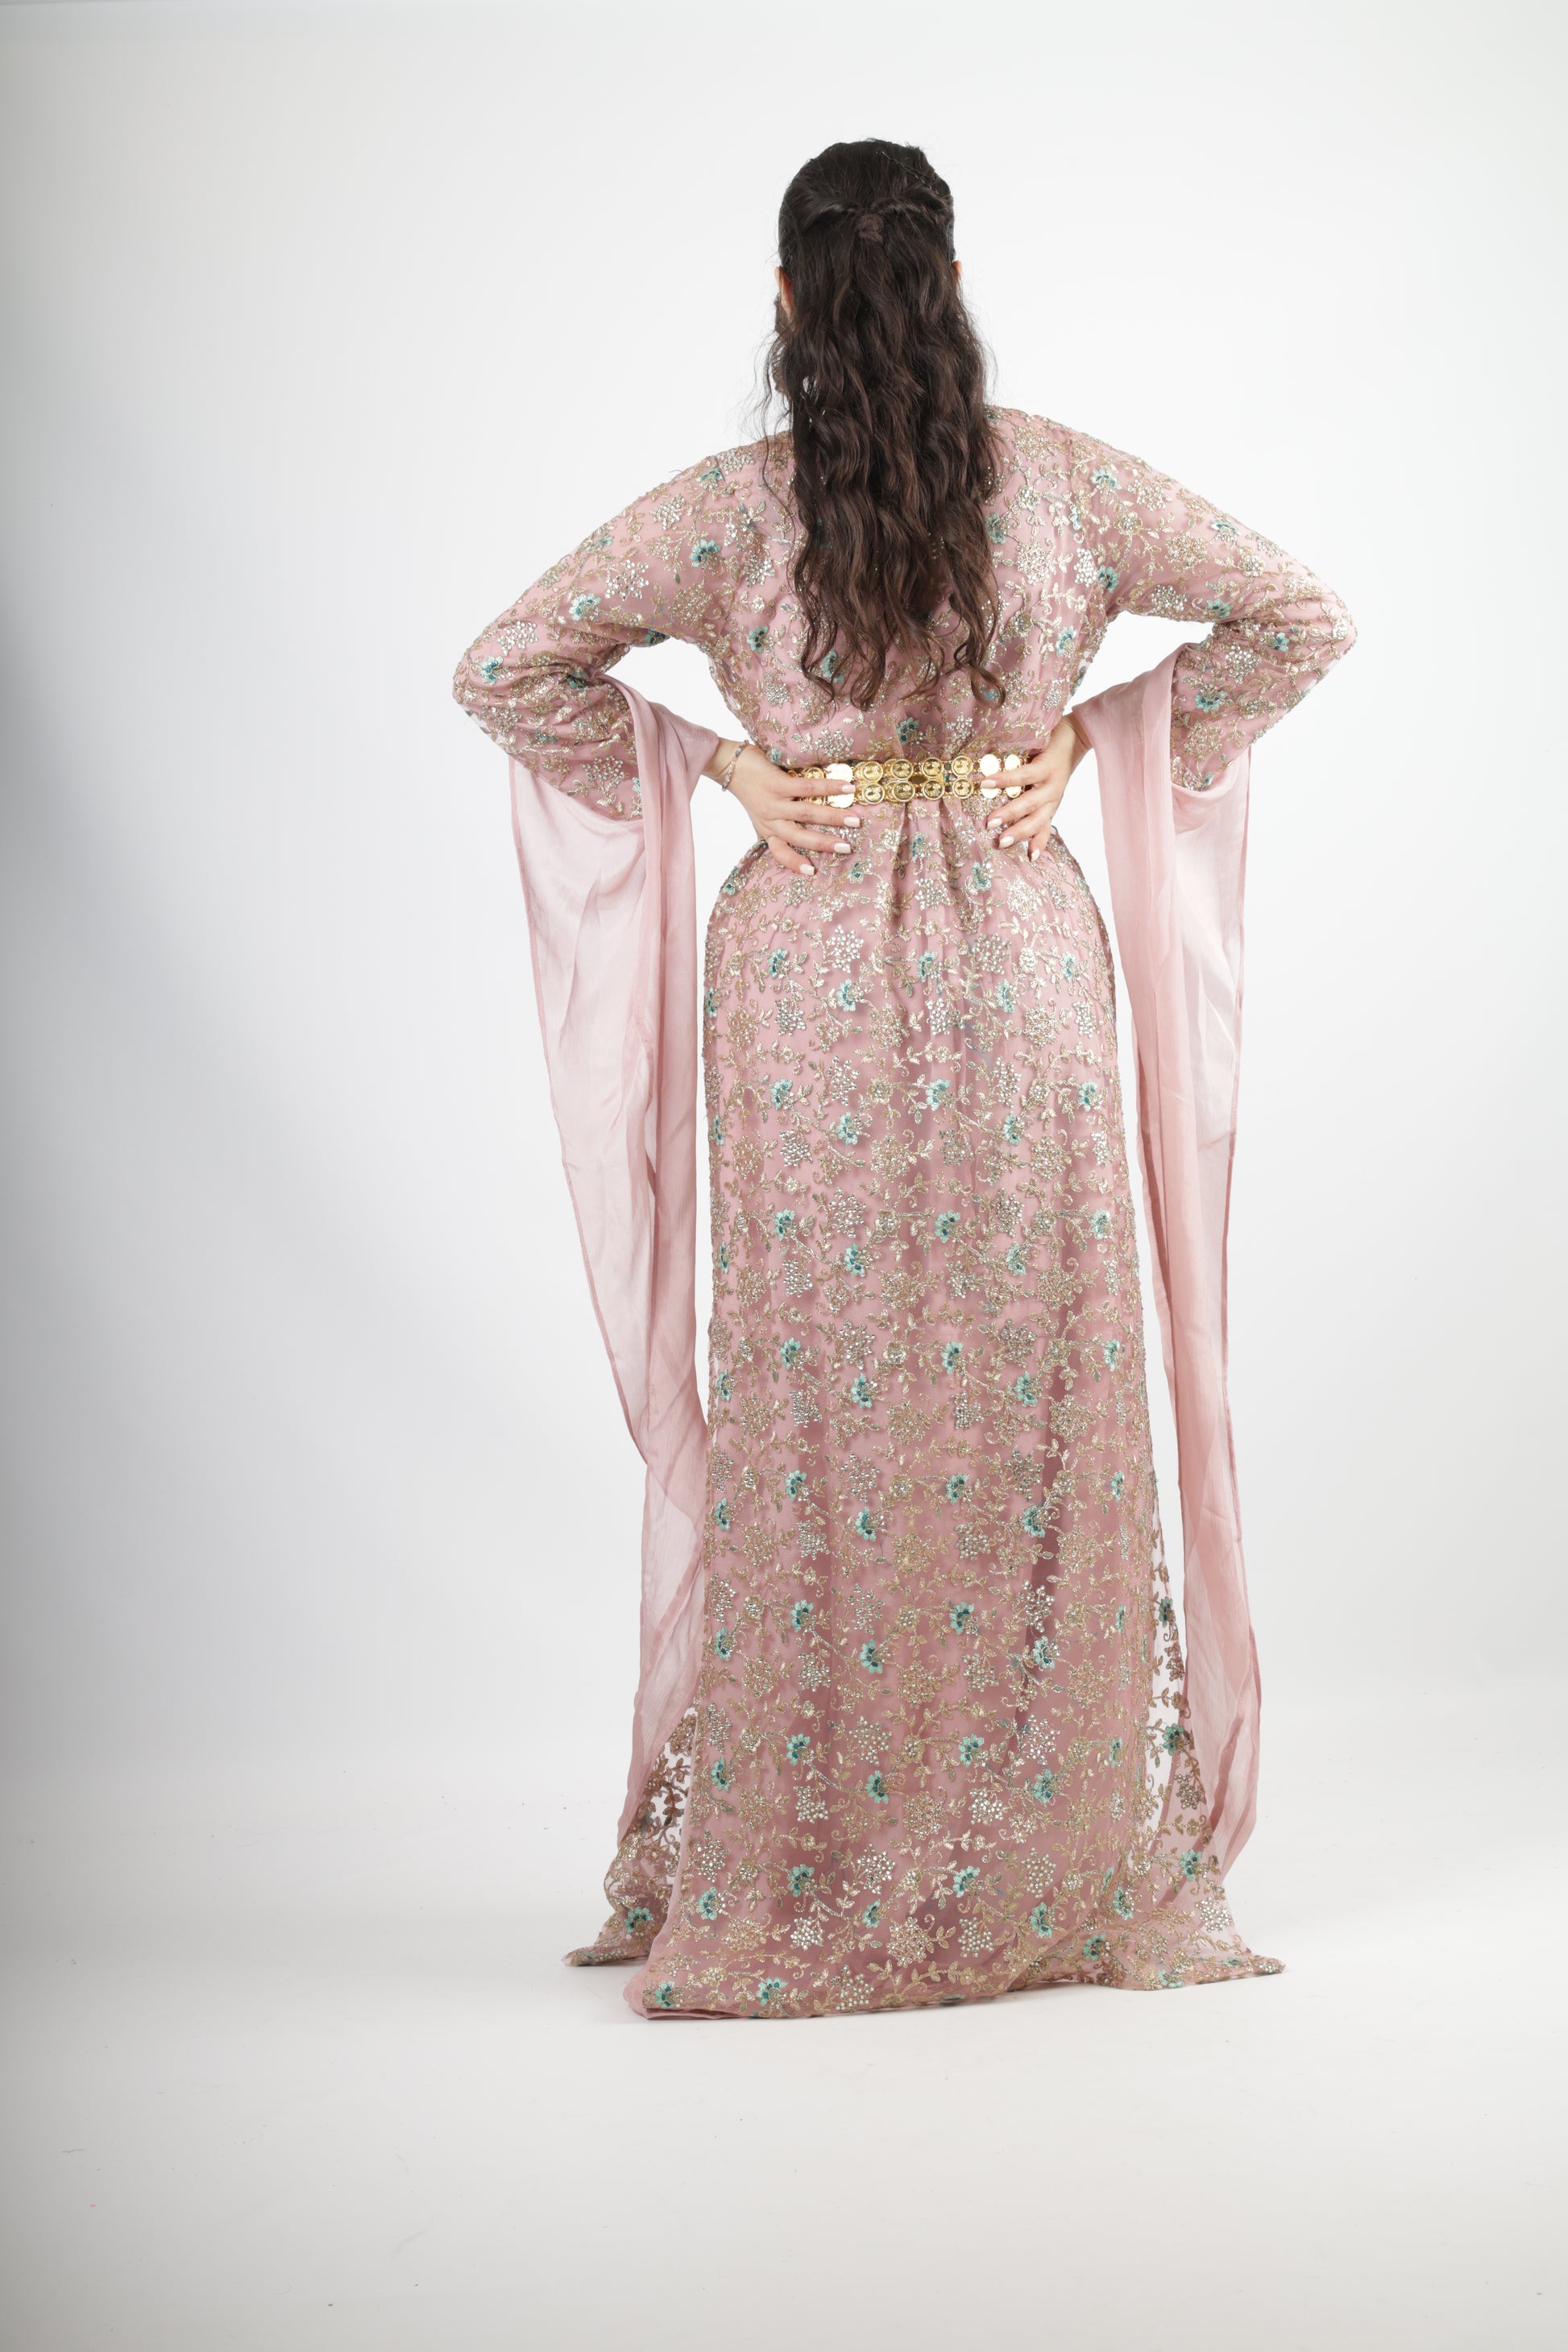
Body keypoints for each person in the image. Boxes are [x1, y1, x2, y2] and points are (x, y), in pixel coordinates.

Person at [454, 138, 1354, 2020]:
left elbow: (510, 665)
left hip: (800, 962)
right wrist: (1094, 734)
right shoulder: (1067, 487)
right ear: (948, 289)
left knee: (819, 1404)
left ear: (784, 302)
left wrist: (718, 766)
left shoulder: (726, 512)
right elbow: (1298, 616)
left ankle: (811, 1852)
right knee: (1039, 1395)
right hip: (1022, 959)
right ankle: (1049, 1855)